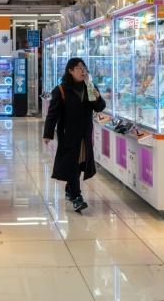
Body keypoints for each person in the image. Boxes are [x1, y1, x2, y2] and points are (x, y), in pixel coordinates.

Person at [43, 57, 105, 212]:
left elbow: (99, 107)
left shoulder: (90, 87)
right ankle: (77, 197)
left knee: (78, 162)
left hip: (84, 134)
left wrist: (98, 98)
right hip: (68, 134)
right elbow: (53, 114)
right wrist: (48, 133)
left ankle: (69, 189)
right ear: (70, 71)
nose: (83, 71)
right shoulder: (61, 90)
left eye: (84, 68)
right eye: (79, 68)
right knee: (72, 162)